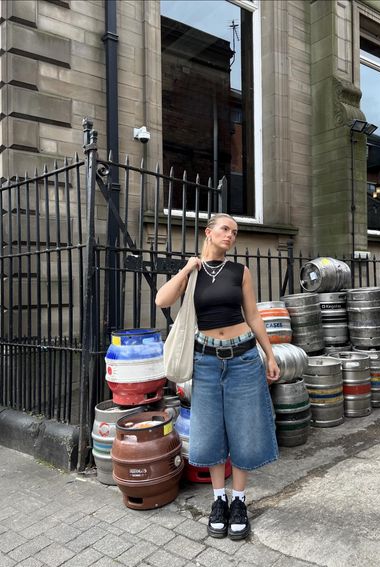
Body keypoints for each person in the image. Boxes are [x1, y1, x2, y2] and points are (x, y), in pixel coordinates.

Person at [155, 213, 279, 540]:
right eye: (225, 229)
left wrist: (270, 354)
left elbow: (252, 314)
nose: (231, 235)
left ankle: (239, 501)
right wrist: (185, 269)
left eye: (235, 232)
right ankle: (218, 501)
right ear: (208, 232)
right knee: (209, 431)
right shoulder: (193, 273)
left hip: (243, 356)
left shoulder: (240, 271)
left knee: (243, 428)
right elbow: (161, 300)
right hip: (206, 360)